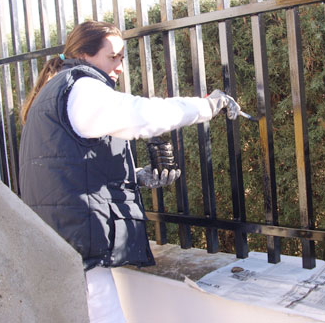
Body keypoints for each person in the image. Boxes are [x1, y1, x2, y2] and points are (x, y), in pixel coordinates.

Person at [18, 20, 240, 323]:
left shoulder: (56, 91)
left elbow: (68, 168)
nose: (120, 66)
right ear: (84, 54)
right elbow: (143, 116)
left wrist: (135, 176)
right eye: (113, 57)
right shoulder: (81, 88)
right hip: (78, 246)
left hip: (62, 238)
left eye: (122, 57)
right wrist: (207, 107)